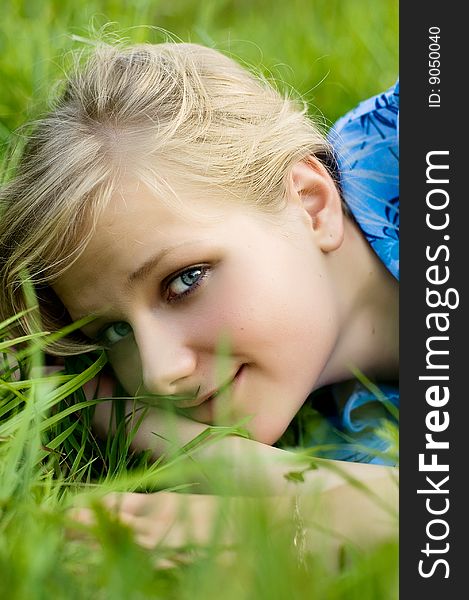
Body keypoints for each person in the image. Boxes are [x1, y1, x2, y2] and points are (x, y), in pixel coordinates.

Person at [0, 42, 398, 556]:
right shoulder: (344, 433)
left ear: (309, 201)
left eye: (185, 281)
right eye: (115, 331)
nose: (160, 372)